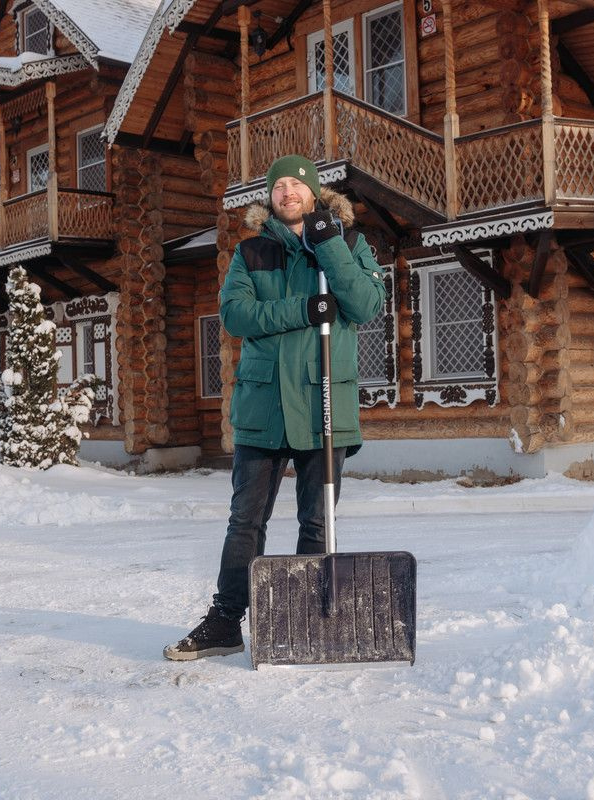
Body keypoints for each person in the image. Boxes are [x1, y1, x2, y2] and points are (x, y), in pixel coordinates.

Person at [164, 154, 386, 661]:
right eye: (278, 185)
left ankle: (306, 619)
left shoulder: (349, 244)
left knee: (316, 522)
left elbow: (366, 305)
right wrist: (302, 310)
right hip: (263, 406)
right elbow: (236, 315)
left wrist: (328, 245)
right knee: (245, 520)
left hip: (322, 401)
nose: (286, 192)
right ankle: (225, 621)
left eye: (295, 184)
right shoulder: (252, 251)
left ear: (314, 193)